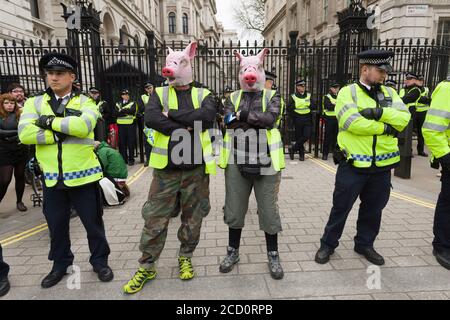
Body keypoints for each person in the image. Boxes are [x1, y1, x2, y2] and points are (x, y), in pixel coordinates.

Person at [122, 42, 218, 294]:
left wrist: (171, 115)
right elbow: (152, 118)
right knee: (154, 218)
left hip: (196, 169)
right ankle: (147, 266)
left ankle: (185, 256)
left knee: (193, 218)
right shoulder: (159, 93)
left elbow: (206, 118)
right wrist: (185, 126)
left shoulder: (205, 94)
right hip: (167, 170)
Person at [18, 52, 113, 288]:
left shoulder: (86, 102)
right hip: (51, 178)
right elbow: (25, 134)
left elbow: (83, 127)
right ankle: (60, 265)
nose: (53, 78)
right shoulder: (34, 102)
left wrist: (48, 123)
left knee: (93, 224)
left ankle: (100, 261)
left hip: (84, 175)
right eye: (50, 73)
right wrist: (61, 131)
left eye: (59, 74)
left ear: (72, 76)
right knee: (56, 226)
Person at [314, 49, 410, 266]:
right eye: (380, 71)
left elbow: (404, 119)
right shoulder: (348, 92)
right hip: (354, 164)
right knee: (341, 207)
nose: (384, 75)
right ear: (365, 69)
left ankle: (365, 244)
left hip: (382, 166)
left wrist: (378, 113)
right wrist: (387, 127)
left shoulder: (390, 93)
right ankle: (328, 244)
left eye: (385, 71)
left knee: (374, 210)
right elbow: (351, 123)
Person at [219, 49, 285, 280]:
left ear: (261, 71)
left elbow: (270, 120)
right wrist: (250, 120)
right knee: (234, 209)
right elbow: (228, 122)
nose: (250, 75)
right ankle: (232, 252)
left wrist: (242, 116)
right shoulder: (232, 97)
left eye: (254, 70)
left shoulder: (273, 96)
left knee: (268, 210)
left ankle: (273, 255)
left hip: (266, 160)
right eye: (245, 70)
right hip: (237, 160)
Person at [422, 78, 450, 270]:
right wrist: (446, 156)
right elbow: (431, 129)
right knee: (448, 203)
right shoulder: (447, 88)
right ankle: (442, 246)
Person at [0, 93, 28, 211]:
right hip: (4, 150)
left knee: (20, 175)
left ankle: (19, 201)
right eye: (6, 103)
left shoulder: (20, 114)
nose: (10, 105)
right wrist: (16, 133)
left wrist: (12, 134)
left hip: (20, 149)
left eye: (12, 103)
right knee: (5, 179)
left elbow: (25, 129)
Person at [400, 72, 428, 156]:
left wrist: (400, 99)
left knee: (416, 133)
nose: (407, 81)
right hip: (405, 113)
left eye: (409, 79)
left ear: (414, 81)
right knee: (407, 133)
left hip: (413, 113)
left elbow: (404, 100)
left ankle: (418, 150)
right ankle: (408, 150)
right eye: (406, 79)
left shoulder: (416, 90)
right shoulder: (404, 89)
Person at [287, 79, 315, 161]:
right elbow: (288, 108)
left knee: (307, 135)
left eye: (304, 86)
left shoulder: (309, 95)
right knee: (299, 137)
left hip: (307, 118)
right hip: (297, 118)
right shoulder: (293, 96)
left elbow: (314, 106)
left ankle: (293, 148)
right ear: (297, 87)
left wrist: (308, 104)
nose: (303, 87)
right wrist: (298, 105)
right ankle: (301, 155)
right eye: (301, 86)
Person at [115, 89, 138, 165]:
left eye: (127, 94)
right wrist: (126, 111)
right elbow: (116, 113)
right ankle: (124, 159)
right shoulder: (118, 103)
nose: (126, 96)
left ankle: (131, 159)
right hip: (121, 125)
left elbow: (133, 111)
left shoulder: (133, 103)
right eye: (124, 94)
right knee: (122, 143)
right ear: (122, 96)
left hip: (130, 125)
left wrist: (122, 111)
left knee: (131, 142)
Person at [321, 82, 340, 161]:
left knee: (337, 138)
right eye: (335, 88)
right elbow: (328, 106)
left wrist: (334, 105)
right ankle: (325, 154)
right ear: (331, 89)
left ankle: (336, 155)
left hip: (337, 119)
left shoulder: (340, 97)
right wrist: (337, 105)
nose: (336, 90)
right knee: (327, 137)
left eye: (337, 88)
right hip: (329, 119)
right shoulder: (326, 97)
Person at [138, 82, 154, 166]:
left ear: (153, 87)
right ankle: (148, 159)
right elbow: (141, 108)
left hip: (157, 120)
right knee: (147, 140)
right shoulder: (143, 97)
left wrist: (147, 106)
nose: (149, 89)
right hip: (147, 121)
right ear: (145, 89)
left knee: (157, 140)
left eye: (150, 87)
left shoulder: (157, 96)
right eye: (147, 88)